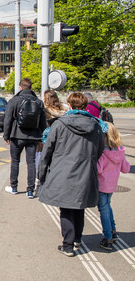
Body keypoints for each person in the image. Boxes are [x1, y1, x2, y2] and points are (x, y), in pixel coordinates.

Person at [38, 92, 106, 257]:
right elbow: (100, 149)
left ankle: (67, 245)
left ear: (70, 105)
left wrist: (42, 173)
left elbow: (48, 150)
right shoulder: (95, 125)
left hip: (63, 172)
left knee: (66, 209)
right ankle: (77, 238)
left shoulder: (59, 124)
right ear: (85, 107)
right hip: (85, 171)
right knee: (79, 206)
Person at [3, 78, 47, 199]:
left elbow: (8, 120)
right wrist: (42, 137)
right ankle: (30, 190)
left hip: (17, 135)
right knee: (31, 162)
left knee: (15, 161)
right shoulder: (38, 102)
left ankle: (14, 187)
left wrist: (6, 135)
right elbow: (42, 121)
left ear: (20, 87)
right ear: (31, 88)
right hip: (33, 136)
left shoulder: (14, 101)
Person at [96, 123, 130, 251]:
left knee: (103, 210)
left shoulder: (102, 153)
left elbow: (98, 170)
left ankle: (108, 237)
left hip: (101, 185)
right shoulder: (120, 151)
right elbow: (126, 169)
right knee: (107, 206)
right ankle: (113, 230)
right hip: (112, 185)